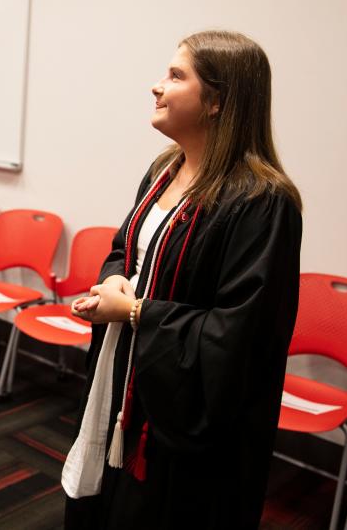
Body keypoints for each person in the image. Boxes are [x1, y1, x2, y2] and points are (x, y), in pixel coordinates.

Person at [62, 30, 303, 529]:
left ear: (217, 101)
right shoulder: (163, 171)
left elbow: (243, 333)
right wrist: (113, 284)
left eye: (176, 76)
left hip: (190, 415)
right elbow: (124, 249)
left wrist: (133, 313)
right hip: (129, 377)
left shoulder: (262, 201)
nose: (157, 86)